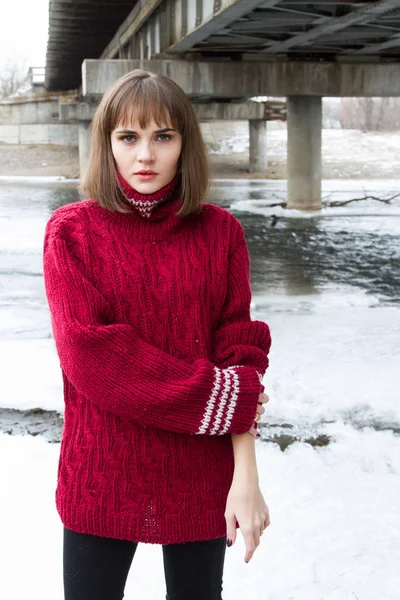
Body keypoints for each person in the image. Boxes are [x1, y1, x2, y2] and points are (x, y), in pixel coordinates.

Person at [43, 69, 272, 600]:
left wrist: (247, 476)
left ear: (183, 144)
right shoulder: (71, 232)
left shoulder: (221, 232)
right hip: (101, 468)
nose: (145, 155)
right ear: (108, 144)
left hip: (201, 473)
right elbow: (94, 358)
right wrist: (225, 395)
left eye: (163, 136)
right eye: (128, 137)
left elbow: (239, 352)